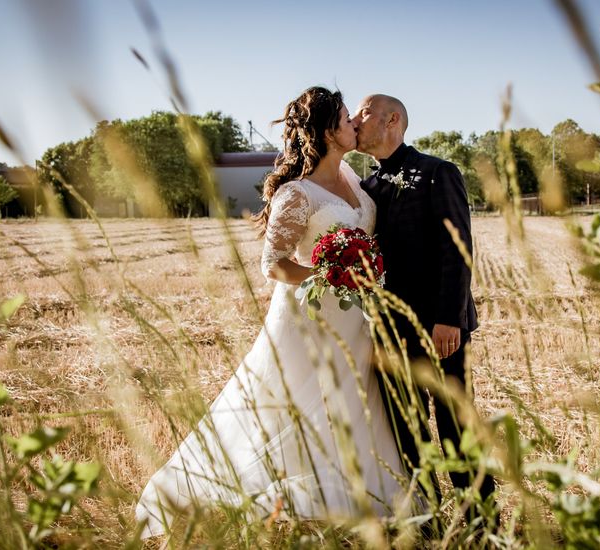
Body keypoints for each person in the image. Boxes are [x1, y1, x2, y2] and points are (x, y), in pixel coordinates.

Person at [136, 87, 407, 538]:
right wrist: (332, 273)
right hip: (313, 315)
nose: (353, 124)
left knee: (352, 401)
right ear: (326, 131)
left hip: (357, 317)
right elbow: (274, 264)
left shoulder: (357, 181)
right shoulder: (296, 193)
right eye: (345, 118)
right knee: (292, 404)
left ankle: (357, 495)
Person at [352, 94, 498, 515]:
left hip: (440, 327)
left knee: (455, 423)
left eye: (365, 113)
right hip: (386, 327)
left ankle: (480, 520)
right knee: (405, 427)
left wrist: (449, 319)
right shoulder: (366, 189)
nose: (358, 121)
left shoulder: (437, 172)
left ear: (392, 120)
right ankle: (429, 516)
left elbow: (458, 249)